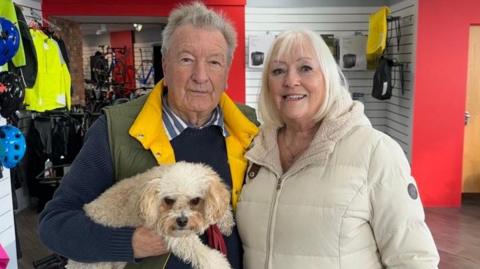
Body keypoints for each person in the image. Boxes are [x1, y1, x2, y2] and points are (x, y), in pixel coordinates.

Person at [38, 2, 258, 269]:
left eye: (214, 62)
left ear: (226, 70)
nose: (201, 76)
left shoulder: (250, 126)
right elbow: (54, 224)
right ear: (165, 63)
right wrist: (129, 243)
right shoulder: (115, 130)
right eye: (186, 59)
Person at [235, 29, 439, 268]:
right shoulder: (255, 152)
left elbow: (413, 258)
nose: (290, 81)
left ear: (328, 77)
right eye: (278, 71)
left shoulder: (376, 151)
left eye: (305, 68)